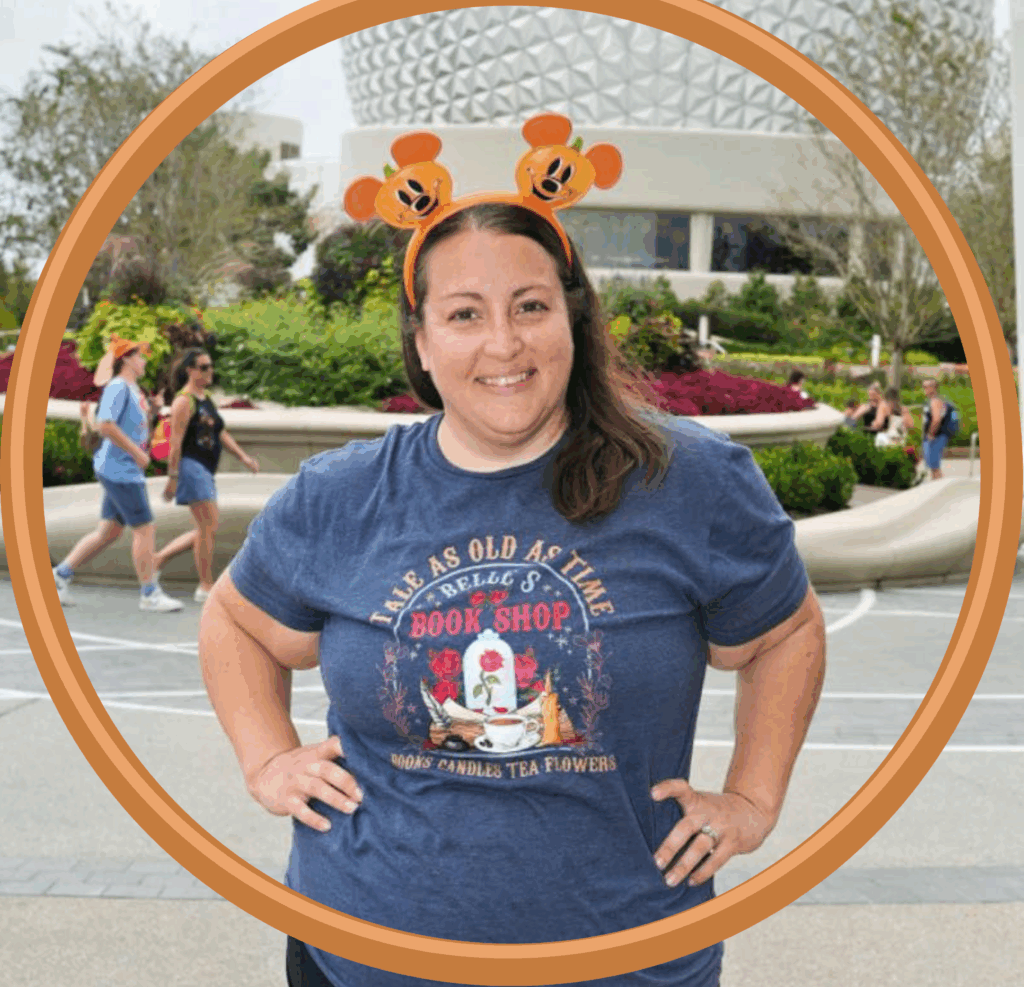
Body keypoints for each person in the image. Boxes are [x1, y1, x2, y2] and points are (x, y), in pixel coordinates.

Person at [198, 118, 826, 987]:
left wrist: (753, 798)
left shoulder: (689, 480)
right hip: (361, 956)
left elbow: (786, 631)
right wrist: (268, 759)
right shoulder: (339, 494)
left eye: (530, 306)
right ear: (422, 341)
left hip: (627, 962)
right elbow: (234, 620)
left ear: (573, 318)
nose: (503, 344)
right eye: (464, 314)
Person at [52, 336, 183, 612]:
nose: (144, 360)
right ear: (127, 359)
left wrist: (154, 409)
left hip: (120, 469)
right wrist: (137, 453)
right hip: (120, 471)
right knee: (145, 530)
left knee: (108, 531)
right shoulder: (118, 387)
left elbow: (135, 426)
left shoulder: (134, 390)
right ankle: (150, 594)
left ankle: (59, 577)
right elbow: (105, 425)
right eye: (140, 356)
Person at [152, 348, 260, 602]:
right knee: (207, 526)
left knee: (206, 527)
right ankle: (205, 586)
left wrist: (243, 457)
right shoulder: (183, 401)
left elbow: (219, 432)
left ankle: (157, 560)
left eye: (210, 366)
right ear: (190, 371)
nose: (210, 371)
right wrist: (172, 478)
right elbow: (176, 443)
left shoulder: (205, 398)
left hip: (205, 468)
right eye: (203, 367)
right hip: (191, 467)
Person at [921, 377, 950, 479]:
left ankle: (937, 485)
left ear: (934, 388)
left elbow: (936, 419)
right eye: (923, 386)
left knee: (935, 467)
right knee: (933, 466)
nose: (924, 389)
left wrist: (930, 434)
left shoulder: (935, 401)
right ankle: (936, 483)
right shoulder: (932, 401)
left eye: (927, 387)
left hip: (935, 437)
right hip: (935, 436)